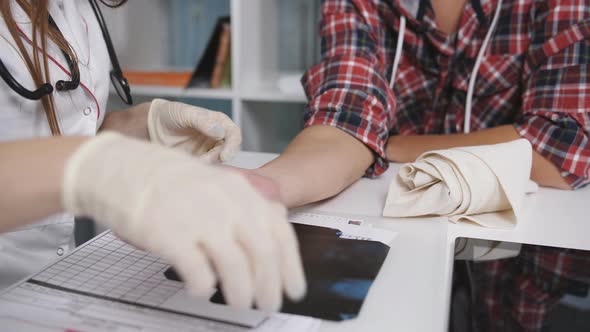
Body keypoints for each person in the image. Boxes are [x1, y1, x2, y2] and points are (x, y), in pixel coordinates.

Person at [240, 0, 590, 329]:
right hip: (399, 238)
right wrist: (263, 185)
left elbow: (561, 151)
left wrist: (385, 145)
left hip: (518, 256)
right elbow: (344, 118)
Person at [0, 0, 306, 312]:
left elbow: (60, 133)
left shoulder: (75, 7)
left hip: (49, 286)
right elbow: (70, 160)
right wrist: (97, 168)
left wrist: (146, 123)